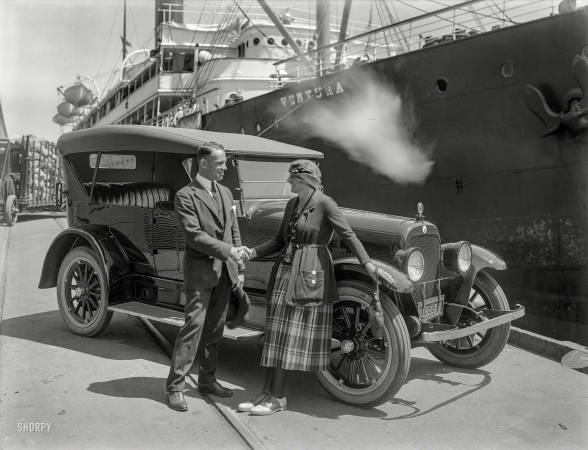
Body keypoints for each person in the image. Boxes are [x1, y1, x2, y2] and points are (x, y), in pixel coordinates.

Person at [237, 159, 395, 415]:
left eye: (293, 178)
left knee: (287, 338)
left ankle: (277, 397)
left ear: (305, 180)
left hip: (309, 275)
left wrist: (367, 264)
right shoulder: (292, 204)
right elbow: (279, 240)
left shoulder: (325, 204)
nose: (288, 182)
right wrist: (252, 252)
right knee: (275, 336)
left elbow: (349, 235)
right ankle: (265, 394)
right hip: (285, 274)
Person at [166, 142, 247, 412]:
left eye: (225, 162)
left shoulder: (225, 192)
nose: (225, 167)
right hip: (201, 272)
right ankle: (175, 386)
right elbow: (194, 236)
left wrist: (239, 267)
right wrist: (228, 251)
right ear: (203, 164)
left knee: (215, 329)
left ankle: (207, 381)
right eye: (220, 163)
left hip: (225, 271)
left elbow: (233, 230)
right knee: (193, 328)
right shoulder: (186, 195)